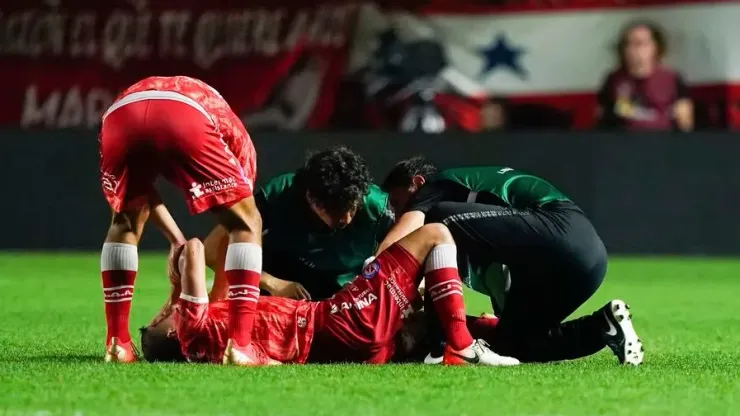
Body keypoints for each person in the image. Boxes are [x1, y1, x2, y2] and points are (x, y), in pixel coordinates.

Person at [377, 157, 643, 366]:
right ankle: (603, 326)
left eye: (399, 203)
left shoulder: (436, 186)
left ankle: (440, 344)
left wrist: (367, 280)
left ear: (417, 182)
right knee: (512, 344)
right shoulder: (481, 229)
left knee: (437, 221)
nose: (399, 213)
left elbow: (402, 238)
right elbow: (501, 278)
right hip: (587, 263)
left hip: (562, 227)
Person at [139, 225, 520, 366]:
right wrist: (176, 288)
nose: (163, 315)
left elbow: (218, 258)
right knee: (434, 234)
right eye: (161, 321)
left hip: (346, 347)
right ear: (174, 333)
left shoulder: (214, 338)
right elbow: (192, 248)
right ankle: (464, 346)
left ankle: (500, 333)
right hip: (334, 322)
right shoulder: (193, 330)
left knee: (420, 316)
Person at [98, 76, 264, 366]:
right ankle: (240, 345)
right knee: (248, 221)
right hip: (182, 112)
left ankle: (117, 343)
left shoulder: (197, 100)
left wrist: (176, 239)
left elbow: (141, 194)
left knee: (124, 221)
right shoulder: (242, 145)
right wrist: (220, 295)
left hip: (120, 115)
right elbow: (235, 228)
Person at [204, 147, 395, 301]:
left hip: (344, 298)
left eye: (353, 207)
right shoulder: (279, 195)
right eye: (335, 209)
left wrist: (365, 283)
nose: (346, 218)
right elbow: (211, 250)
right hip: (279, 292)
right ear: (310, 198)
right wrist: (271, 282)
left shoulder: (378, 206)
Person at [597, 20, 693, 131]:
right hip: (624, 144)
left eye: (640, 44)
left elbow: (685, 125)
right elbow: (602, 122)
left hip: (663, 142)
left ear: (656, 48)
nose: (632, 50)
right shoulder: (613, 80)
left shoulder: (672, 79)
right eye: (628, 44)